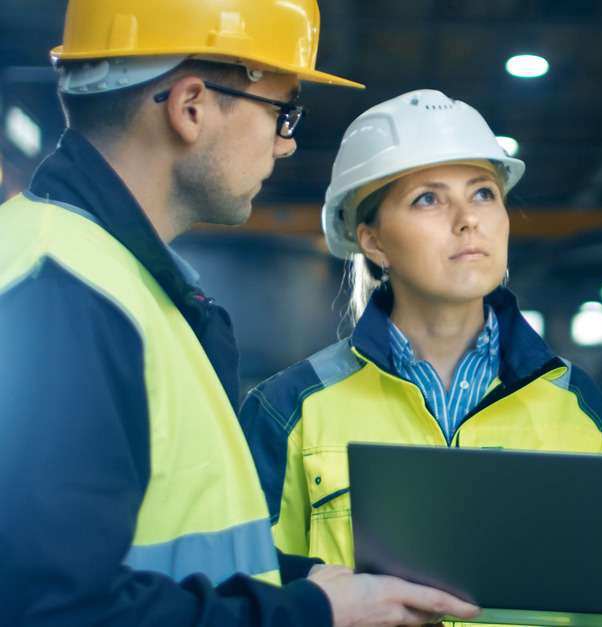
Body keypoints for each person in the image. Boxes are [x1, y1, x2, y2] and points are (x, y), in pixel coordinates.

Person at [0, 1, 478, 625]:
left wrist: (298, 579)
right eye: (284, 112)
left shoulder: (121, 285)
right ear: (191, 106)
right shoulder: (62, 295)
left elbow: (159, 547)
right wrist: (310, 614)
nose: (287, 144)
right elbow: (57, 609)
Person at [238, 89, 602, 572]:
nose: (468, 221)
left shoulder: (577, 405)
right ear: (373, 241)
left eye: (483, 193)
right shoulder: (289, 411)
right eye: (428, 200)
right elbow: (253, 596)